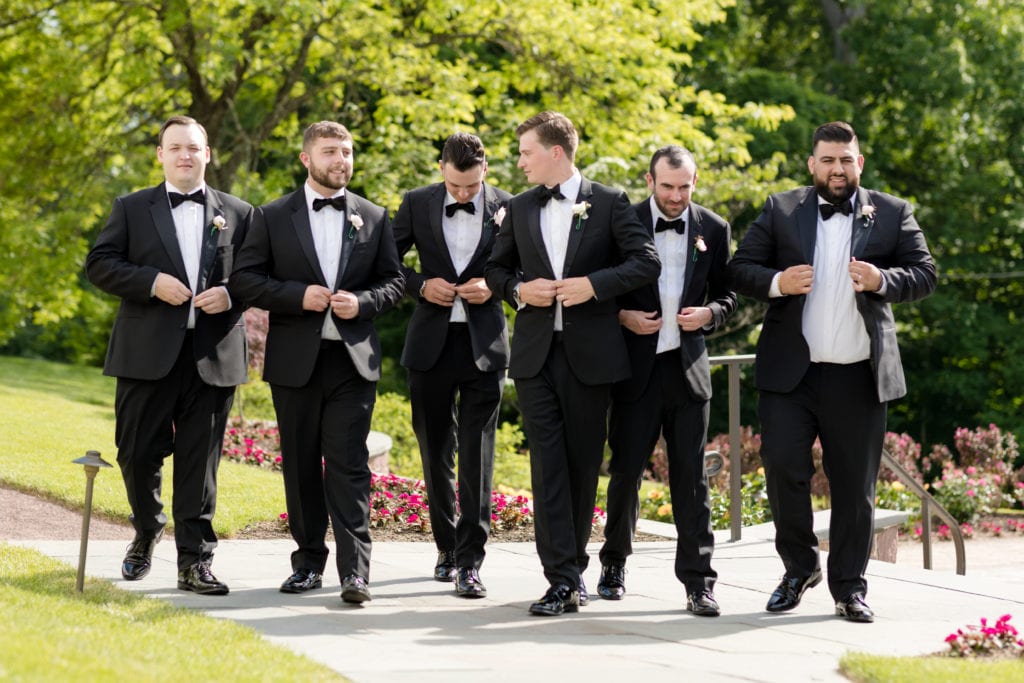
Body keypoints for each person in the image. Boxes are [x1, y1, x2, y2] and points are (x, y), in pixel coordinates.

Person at [729, 121, 936, 623]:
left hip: (858, 377)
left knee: (854, 488)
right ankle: (799, 569)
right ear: (812, 164)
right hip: (790, 376)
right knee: (782, 471)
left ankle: (849, 588)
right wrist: (778, 282)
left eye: (846, 160)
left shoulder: (891, 212)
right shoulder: (781, 209)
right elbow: (739, 268)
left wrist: (883, 278)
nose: (837, 169)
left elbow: (926, 273)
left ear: (859, 163)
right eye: (828, 160)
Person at [485, 111, 660, 616]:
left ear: (555, 152)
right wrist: (519, 289)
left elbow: (646, 261)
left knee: (583, 465)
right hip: (535, 357)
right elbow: (495, 270)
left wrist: (594, 285)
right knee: (547, 466)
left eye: (526, 152)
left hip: (592, 358)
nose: (519, 162)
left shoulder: (609, 202)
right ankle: (560, 579)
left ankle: (574, 571)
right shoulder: (518, 208)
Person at [228, 121, 404, 604]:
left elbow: (394, 281)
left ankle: (356, 573)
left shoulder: (373, 215)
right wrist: (296, 296)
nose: (341, 160)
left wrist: (363, 303)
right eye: (330, 152)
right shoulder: (271, 216)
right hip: (294, 362)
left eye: (346, 152)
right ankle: (307, 564)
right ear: (307, 159)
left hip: (352, 363)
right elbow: (245, 280)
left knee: (349, 465)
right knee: (301, 465)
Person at [86, 115, 253, 595]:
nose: (185, 155)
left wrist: (231, 295)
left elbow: (257, 275)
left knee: (201, 464)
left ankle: (195, 562)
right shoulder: (132, 208)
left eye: (194, 147)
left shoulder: (241, 213)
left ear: (208, 154)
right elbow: (99, 264)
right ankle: (146, 528)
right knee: (136, 452)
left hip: (213, 354)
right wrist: (151, 282)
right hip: (145, 354)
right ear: (160, 154)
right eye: (175, 147)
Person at [598, 146, 736, 615]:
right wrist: (622, 316)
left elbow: (729, 292)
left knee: (692, 481)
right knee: (625, 472)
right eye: (667, 186)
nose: (676, 196)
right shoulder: (623, 221)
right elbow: (595, 289)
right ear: (649, 180)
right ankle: (613, 563)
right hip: (636, 371)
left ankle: (699, 582)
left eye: (685, 186)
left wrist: (711, 313)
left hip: (688, 371)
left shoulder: (714, 229)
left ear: (695, 181)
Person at [392, 133, 512, 598]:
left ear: (485, 170)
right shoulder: (416, 203)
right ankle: (445, 547)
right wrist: (421, 286)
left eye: (472, 187)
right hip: (430, 345)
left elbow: (526, 268)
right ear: (442, 167)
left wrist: (496, 286)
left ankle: (470, 561)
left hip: (486, 344)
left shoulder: (510, 205)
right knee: (435, 448)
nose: (464, 195)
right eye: (457, 187)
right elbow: (386, 262)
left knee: (478, 454)